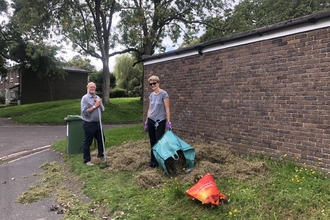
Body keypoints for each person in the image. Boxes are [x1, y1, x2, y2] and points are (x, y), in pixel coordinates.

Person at [144, 75, 172, 168]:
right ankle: (153, 163)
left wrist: (168, 121)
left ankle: (162, 163)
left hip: (160, 121)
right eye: (150, 84)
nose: (152, 85)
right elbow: (149, 109)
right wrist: (146, 122)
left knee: (159, 142)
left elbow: (167, 108)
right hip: (151, 120)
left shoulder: (164, 94)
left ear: (158, 83)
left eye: (154, 83)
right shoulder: (151, 95)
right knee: (152, 142)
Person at [81, 82, 105, 166]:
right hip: (89, 123)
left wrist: (100, 104)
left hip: (98, 123)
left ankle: (100, 155)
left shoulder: (97, 97)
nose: (92, 88)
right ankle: (87, 160)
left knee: (101, 139)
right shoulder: (85, 98)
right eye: (91, 87)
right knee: (88, 142)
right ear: (87, 88)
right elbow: (85, 112)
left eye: (94, 87)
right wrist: (95, 106)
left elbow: (103, 110)